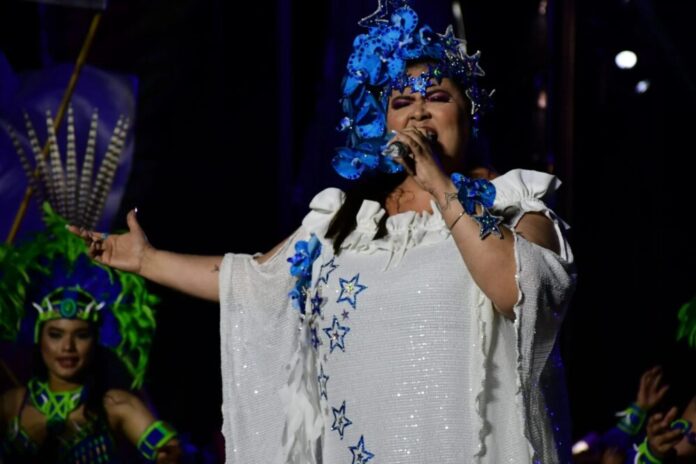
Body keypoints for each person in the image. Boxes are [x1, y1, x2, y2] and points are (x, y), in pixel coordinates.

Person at [71, 2, 576, 462]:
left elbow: (515, 290)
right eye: (401, 102)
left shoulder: (513, 203)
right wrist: (148, 260)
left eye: (437, 98)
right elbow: (254, 280)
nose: (418, 111)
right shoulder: (347, 219)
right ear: (384, 125)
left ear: (469, 113)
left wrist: (441, 186)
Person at [0, 206, 180, 463]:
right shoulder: (10, 406)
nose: (68, 347)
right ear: (38, 337)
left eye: (81, 335)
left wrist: (167, 455)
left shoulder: (116, 405)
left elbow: (170, 451)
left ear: (96, 339)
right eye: (56, 334)